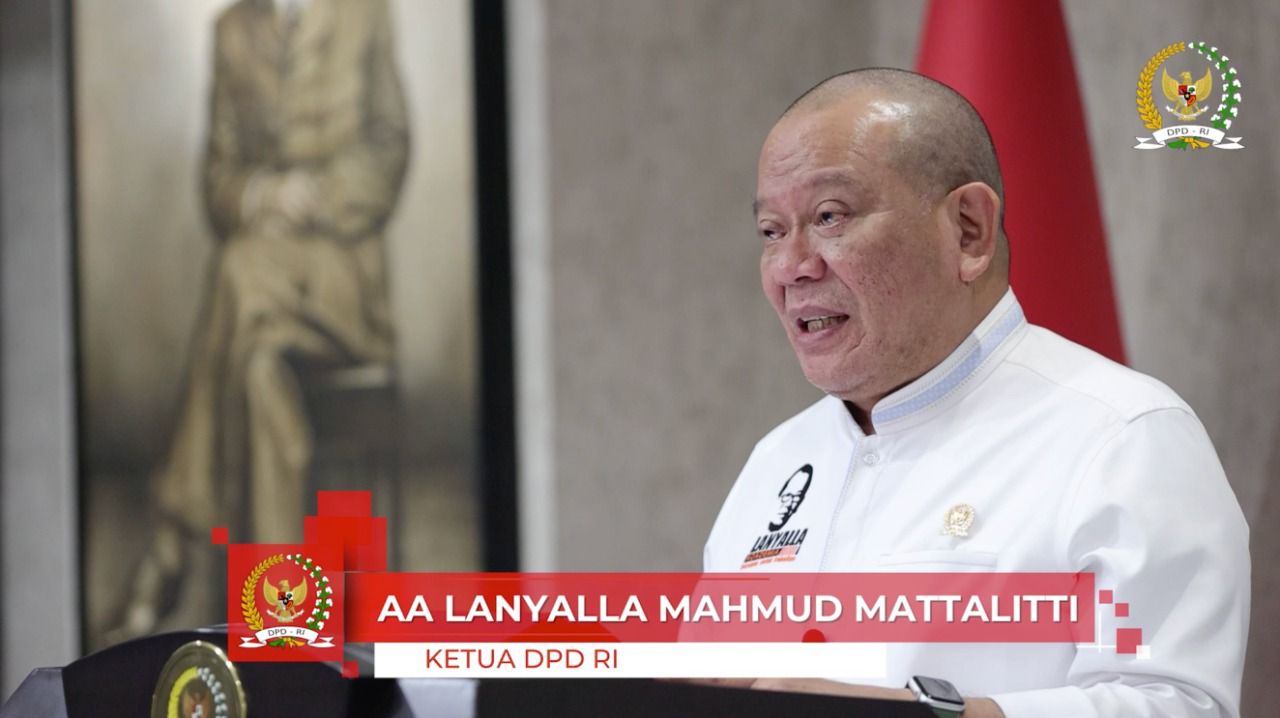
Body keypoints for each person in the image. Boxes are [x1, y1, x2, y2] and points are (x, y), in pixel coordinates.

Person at [703, 68, 1249, 717]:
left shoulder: (1123, 436)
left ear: (968, 230)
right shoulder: (777, 460)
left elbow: (1178, 705)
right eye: (771, 231)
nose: (793, 267)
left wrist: (934, 714)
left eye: (829, 217)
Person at [115, 0, 410, 639]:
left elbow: (391, 148)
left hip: (343, 284)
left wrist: (316, 196)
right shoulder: (231, 31)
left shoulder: (364, 13)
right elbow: (217, 182)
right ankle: (282, 627)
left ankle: (172, 538)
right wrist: (261, 194)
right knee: (255, 368)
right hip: (263, 297)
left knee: (236, 268)